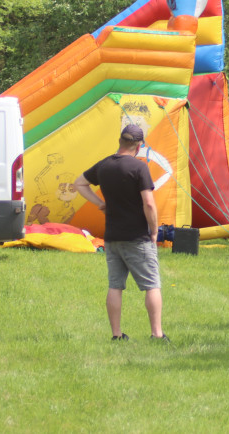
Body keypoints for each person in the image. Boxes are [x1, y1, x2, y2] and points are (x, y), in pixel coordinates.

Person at [73, 124, 168, 342]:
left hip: (112, 237)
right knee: (151, 285)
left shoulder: (105, 165)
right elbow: (149, 204)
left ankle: (116, 335)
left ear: (119, 141)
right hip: (137, 237)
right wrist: (154, 231)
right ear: (139, 145)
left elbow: (80, 183)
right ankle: (157, 334)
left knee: (115, 286)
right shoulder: (139, 167)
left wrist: (101, 204)